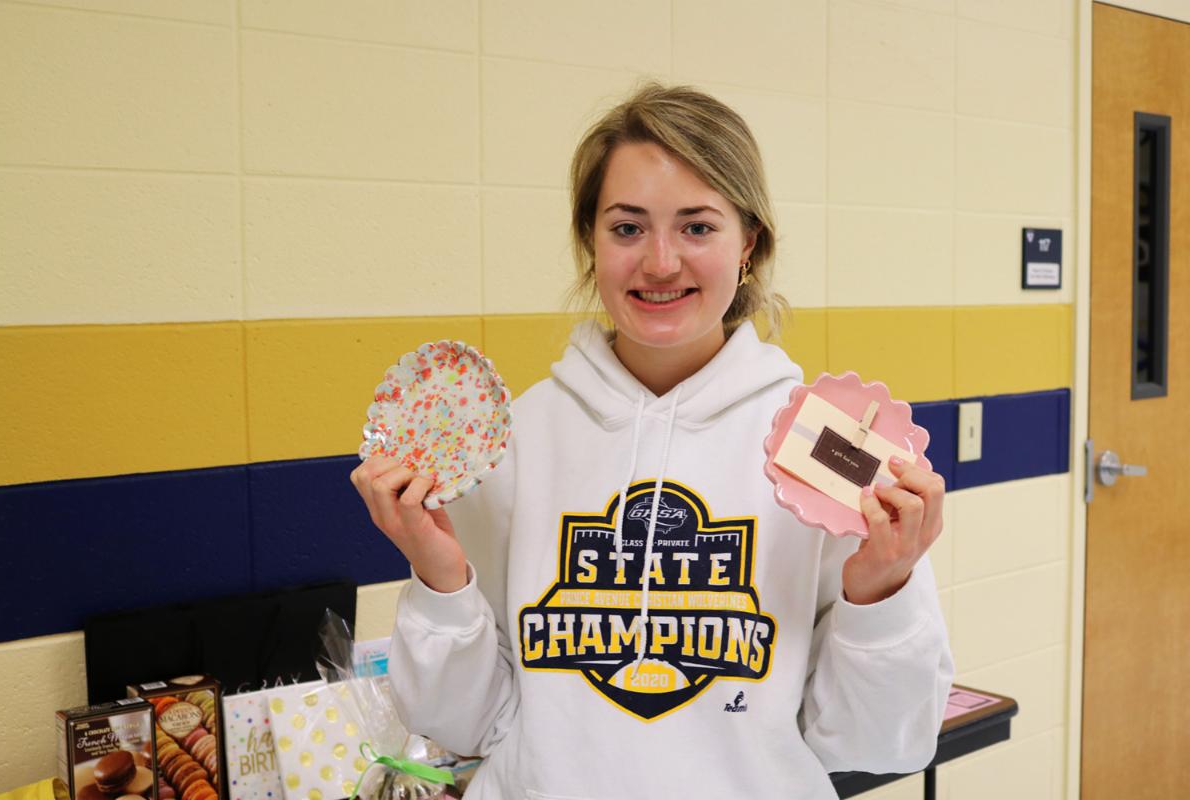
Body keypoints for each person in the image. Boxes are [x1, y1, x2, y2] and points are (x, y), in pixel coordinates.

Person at [350, 83, 953, 799]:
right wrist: (439, 575)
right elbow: (463, 725)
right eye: (628, 228)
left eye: (697, 227)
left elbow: (876, 741)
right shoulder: (517, 442)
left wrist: (881, 591)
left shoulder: (823, 450)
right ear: (591, 241)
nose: (661, 262)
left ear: (748, 242)